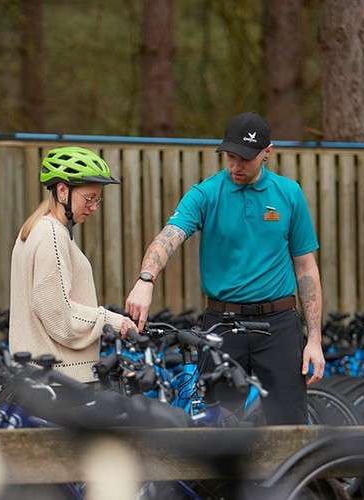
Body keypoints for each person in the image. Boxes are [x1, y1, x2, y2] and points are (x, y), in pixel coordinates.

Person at [124, 112, 325, 424]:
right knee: (216, 426)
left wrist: (314, 339)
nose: (235, 166)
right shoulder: (206, 194)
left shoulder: (289, 194)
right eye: (230, 157)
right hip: (222, 326)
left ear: (267, 153)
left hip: (279, 326)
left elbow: (306, 268)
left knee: (289, 427)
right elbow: (169, 237)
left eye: (244, 159)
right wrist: (146, 279)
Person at [9, 146, 136, 383]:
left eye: (98, 199)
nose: (94, 207)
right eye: (89, 198)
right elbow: (60, 318)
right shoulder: (52, 236)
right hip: (62, 380)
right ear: (63, 190)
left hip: (40, 376)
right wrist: (115, 321)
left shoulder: (37, 228)